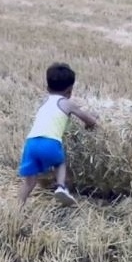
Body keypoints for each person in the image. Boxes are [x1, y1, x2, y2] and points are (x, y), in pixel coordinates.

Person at [17, 62, 99, 207]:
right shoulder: (67, 103)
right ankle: (60, 186)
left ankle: (17, 209)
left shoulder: (44, 103)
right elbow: (90, 120)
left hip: (31, 144)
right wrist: (91, 124)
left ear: (47, 88)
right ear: (70, 90)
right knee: (59, 162)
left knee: (29, 183)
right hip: (50, 143)